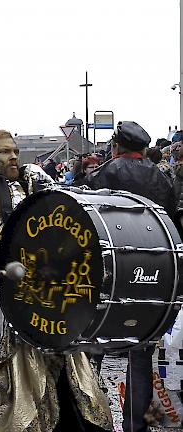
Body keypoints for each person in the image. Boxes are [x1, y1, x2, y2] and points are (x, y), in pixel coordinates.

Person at [0, 128, 111, 432]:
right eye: (4, 152)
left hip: (47, 301)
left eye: (14, 150)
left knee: (69, 380)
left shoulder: (37, 185)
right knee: (11, 388)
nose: (13, 156)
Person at [84, 121, 177, 432]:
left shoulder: (103, 173)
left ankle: (91, 415)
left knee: (91, 348)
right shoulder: (162, 177)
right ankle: (135, 426)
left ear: (116, 146)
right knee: (141, 350)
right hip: (152, 271)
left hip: (109, 272)